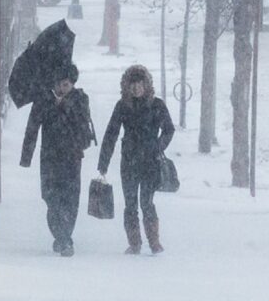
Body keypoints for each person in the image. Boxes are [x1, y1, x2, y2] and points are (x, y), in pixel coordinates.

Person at [20, 63, 96, 257]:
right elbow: (32, 128)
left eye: (67, 84)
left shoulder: (80, 100)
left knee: (70, 199)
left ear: (72, 84)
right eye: (60, 84)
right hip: (49, 158)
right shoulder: (44, 99)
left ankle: (65, 239)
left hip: (72, 157)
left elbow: (83, 125)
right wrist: (26, 157)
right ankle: (61, 235)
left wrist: (66, 106)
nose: (63, 88)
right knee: (51, 198)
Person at [98, 64, 175, 254]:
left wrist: (158, 146)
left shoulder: (157, 105)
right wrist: (103, 163)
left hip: (150, 161)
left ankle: (154, 241)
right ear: (126, 86)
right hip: (129, 161)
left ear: (147, 85)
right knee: (130, 203)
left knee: (147, 202)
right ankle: (134, 243)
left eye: (140, 84)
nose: (136, 88)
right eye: (132, 84)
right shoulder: (122, 106)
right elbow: (111, 134)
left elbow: (169, 129)